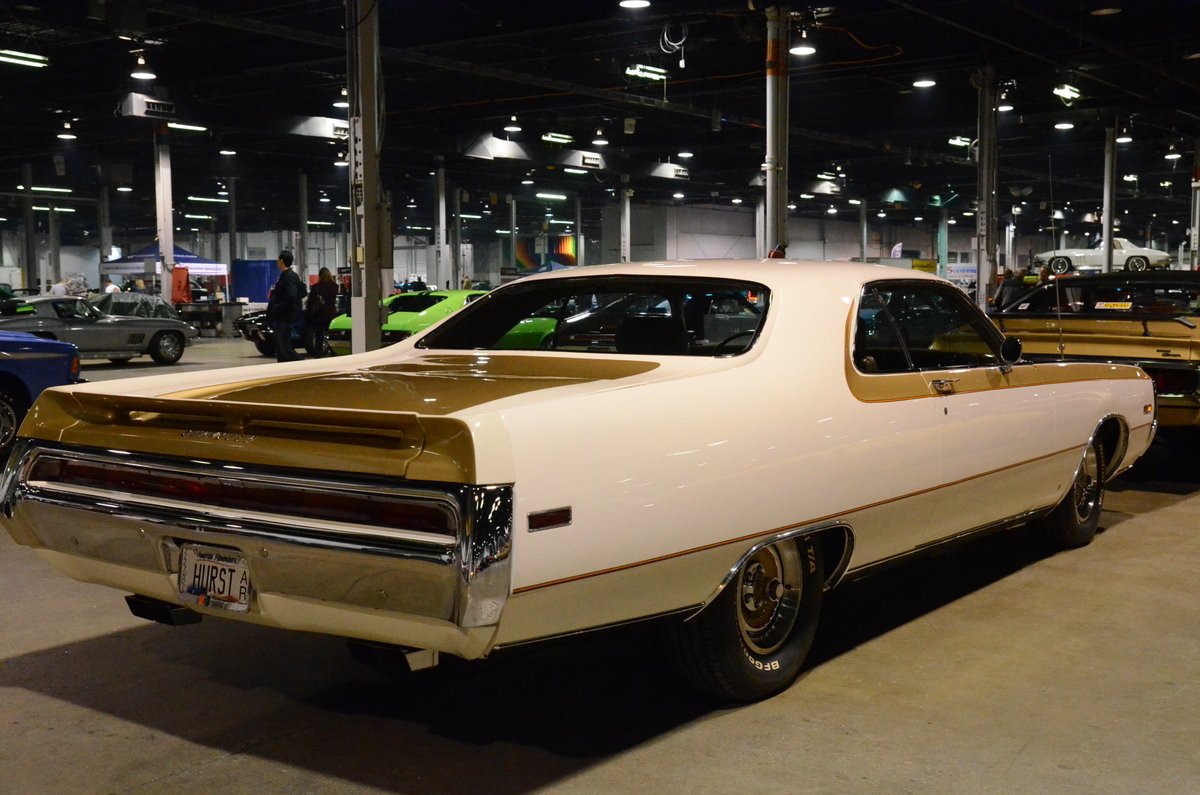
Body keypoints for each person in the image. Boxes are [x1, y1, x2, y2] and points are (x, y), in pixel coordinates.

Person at [265, 250, 306, 362]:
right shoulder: (290, 275)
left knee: (284, 347)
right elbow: (302, 291)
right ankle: (283, 369)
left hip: (285, 317)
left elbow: (291, 296)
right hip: (283, 316)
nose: (277, 262)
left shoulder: (289, 277)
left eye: (278, 260)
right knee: (280, 347)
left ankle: (302, 364)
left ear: (282, 261)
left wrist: (278, 307)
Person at [303, 266, 339, 357]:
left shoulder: (316, 287)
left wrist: (309, 312)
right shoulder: (335, 286)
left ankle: (319, 353)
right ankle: (333, 351)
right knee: (331, 334)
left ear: (320, 276)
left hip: (318, 315)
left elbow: (310, 302)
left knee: (319, 335)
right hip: (330, 315)